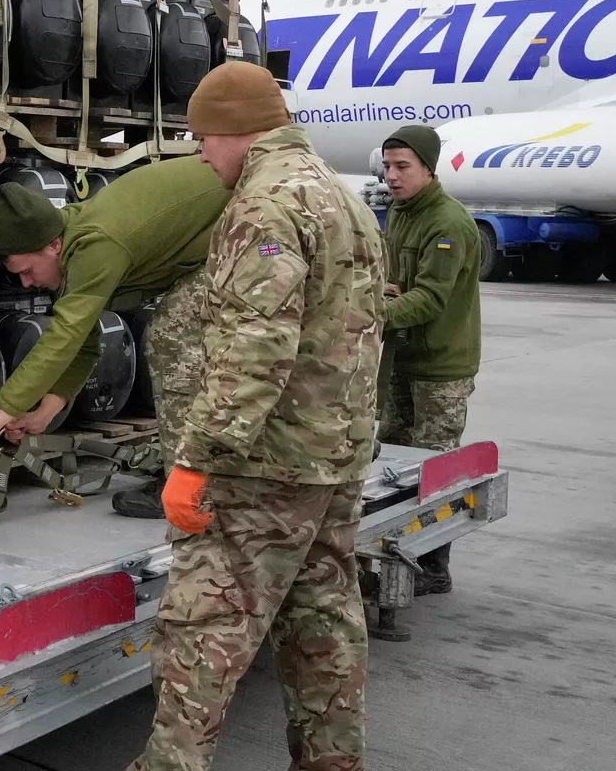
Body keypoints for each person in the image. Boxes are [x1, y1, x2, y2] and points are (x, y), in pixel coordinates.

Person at [128, 62, 385, 771]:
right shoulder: (343, 195)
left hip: (265, 465)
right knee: (324, 621)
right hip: (335, 456)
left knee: (202, 628)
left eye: (203, 139)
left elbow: (254, 345)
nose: (201, 155)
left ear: (235, 131)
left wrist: (195, 457)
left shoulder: (265, 204)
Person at [0, 160, 232, 519]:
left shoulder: (96, 245)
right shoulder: (68, 246)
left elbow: (62, 340)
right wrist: (42, 416)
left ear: (52, 246)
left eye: (26, 271)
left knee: (171, 337)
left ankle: (191, 486)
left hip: (252, 222)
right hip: (216, 238)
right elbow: (83, 341)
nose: (26, 283)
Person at [377, 123, 482, 595]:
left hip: (441, 367)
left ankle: (434, 567)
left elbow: (431, 298)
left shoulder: (448, 222)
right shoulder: (400, 212)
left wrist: (371, 312)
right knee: (393, 465)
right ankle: (397, 552)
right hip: (402, 357)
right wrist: (384, 291)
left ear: (428, 168)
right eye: (387, 166)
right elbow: (400, 282)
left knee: (433, 471)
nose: (392, 177)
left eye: (403, 167)